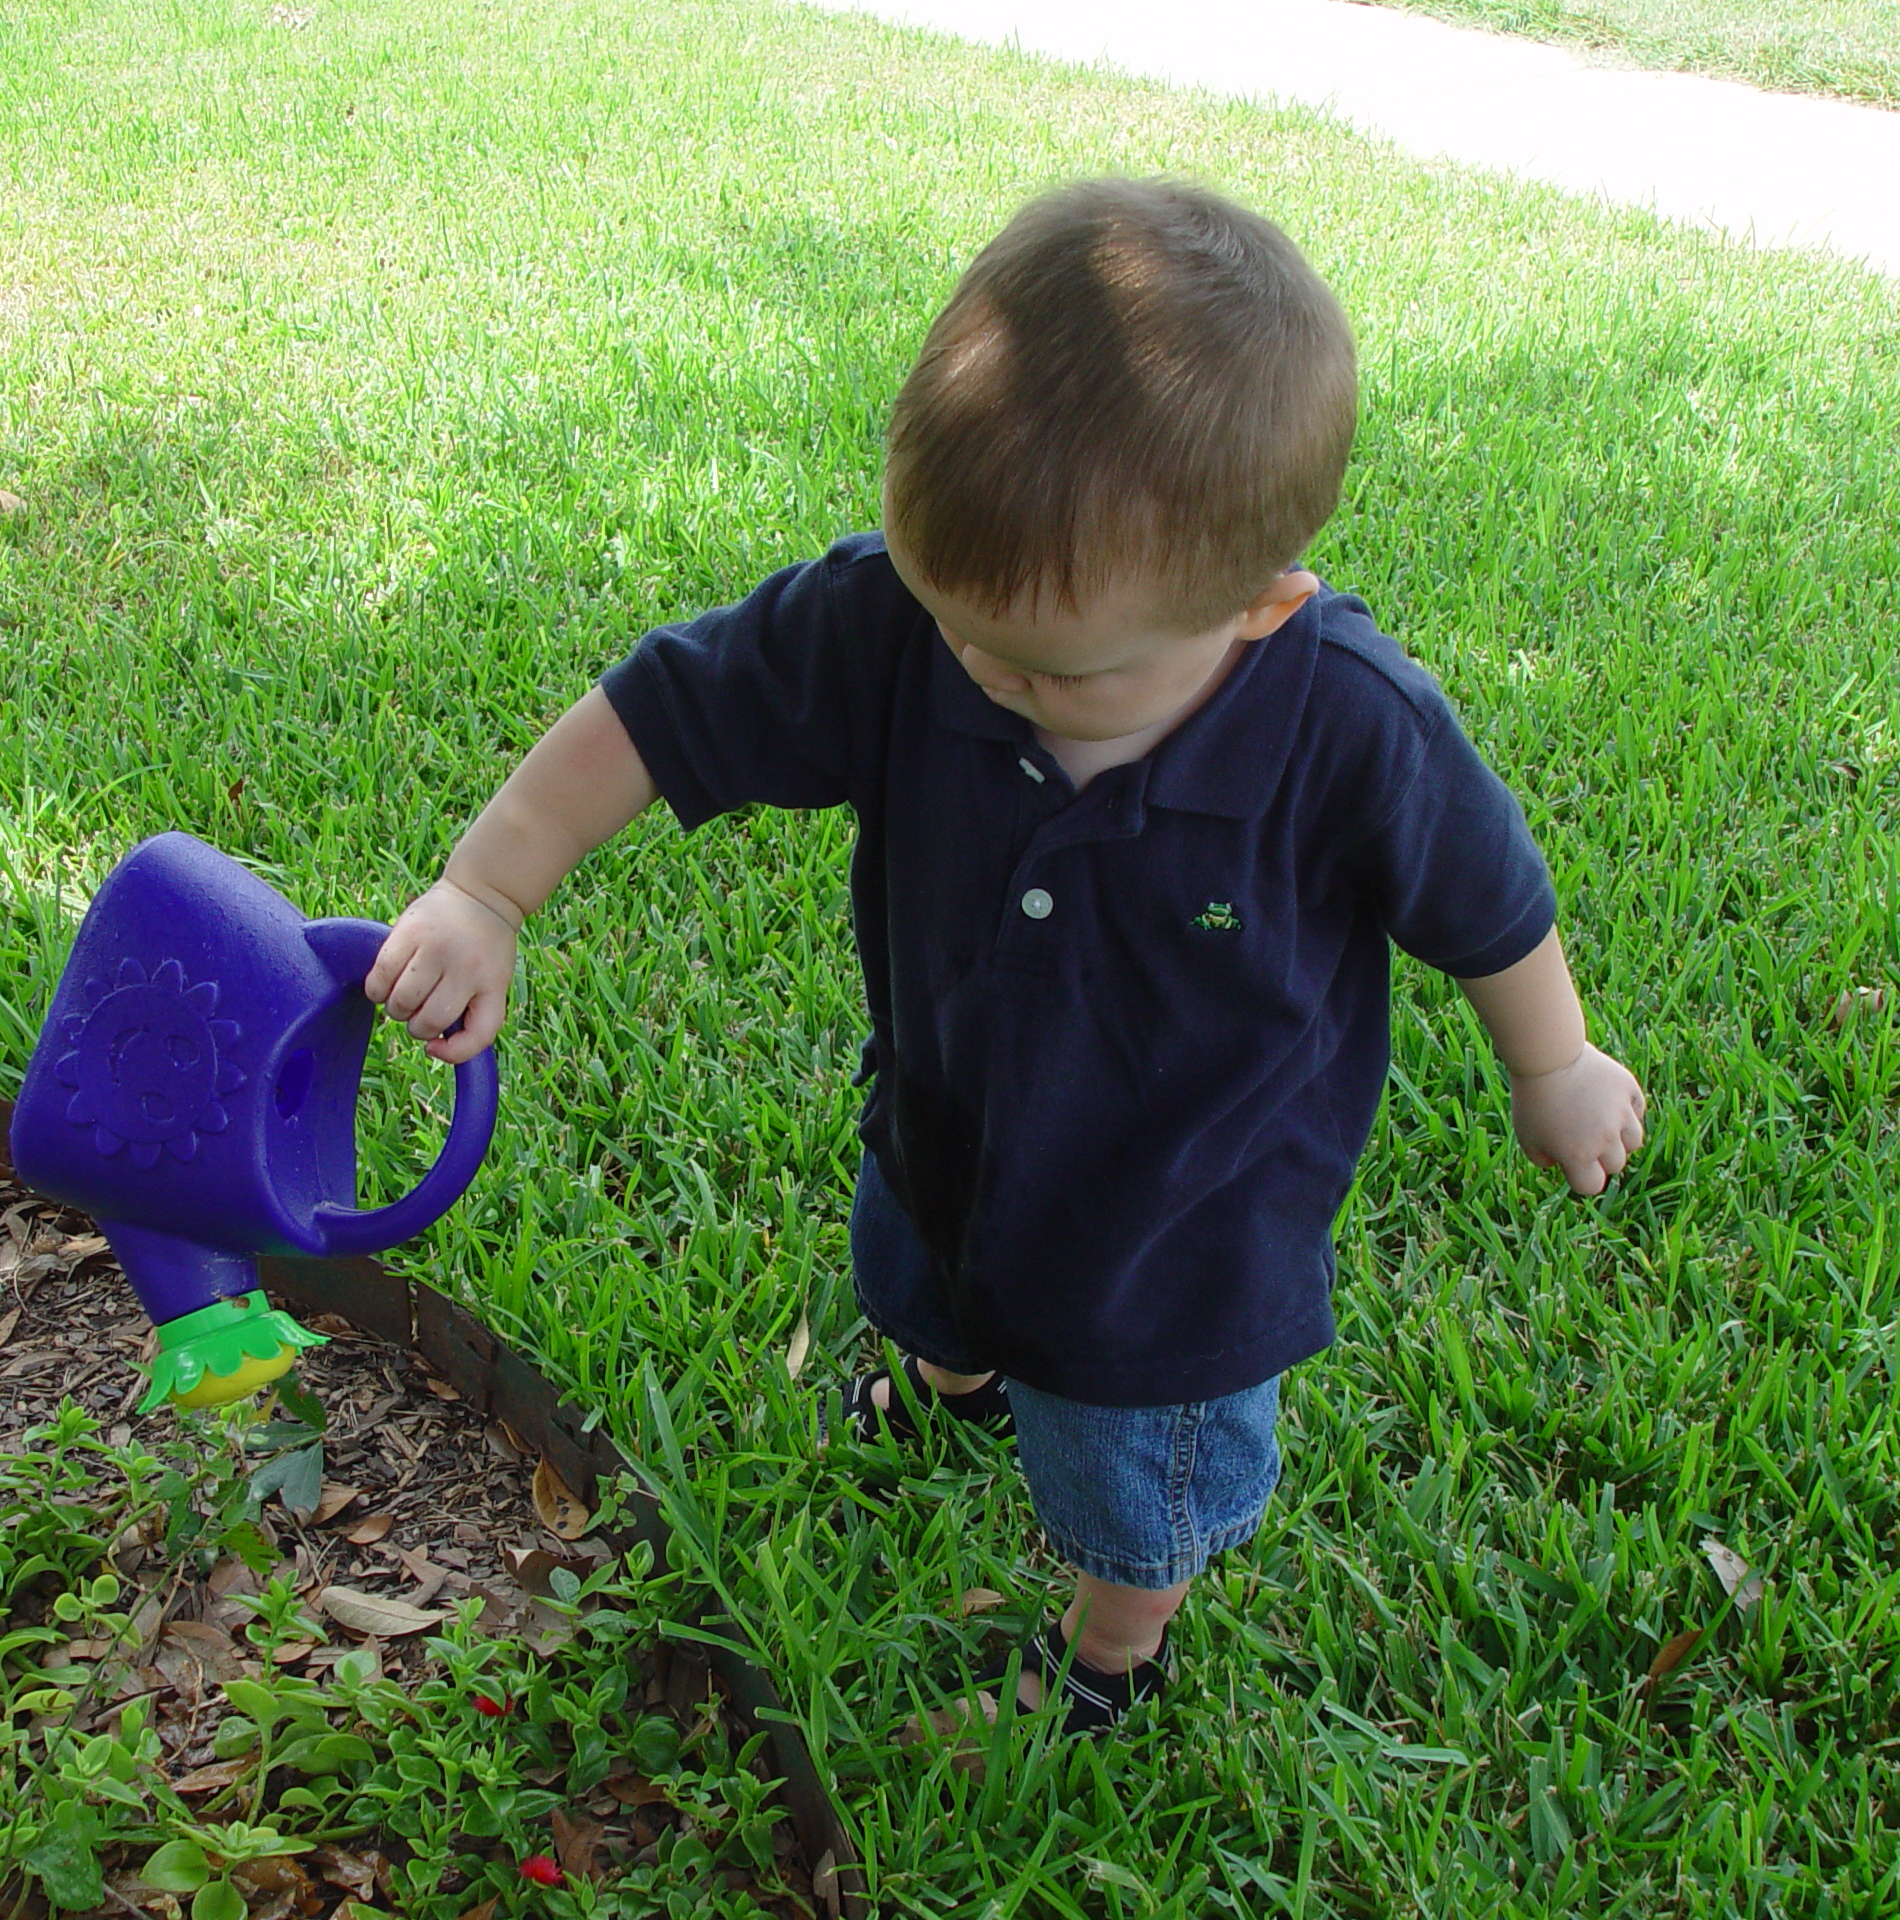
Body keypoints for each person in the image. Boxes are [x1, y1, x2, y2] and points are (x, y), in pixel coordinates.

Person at [364, 178, 1647, 1736]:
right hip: (951, 1125)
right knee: (921, 1275)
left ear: (1258, 607)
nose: (977, 673)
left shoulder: (1352, 731)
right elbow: (664, 712)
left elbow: (1489, 906)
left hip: (1176, 1239)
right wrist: (487, 890)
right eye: (949, 621)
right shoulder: (909, 620)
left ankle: (1114, 1653)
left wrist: (1557, 1066)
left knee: (1131, 1475)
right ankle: (955, 1382)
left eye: (1045, 669)